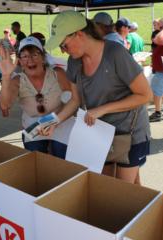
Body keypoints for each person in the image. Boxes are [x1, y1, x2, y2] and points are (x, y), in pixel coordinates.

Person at [42, 10, 152, 184]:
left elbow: (145, 95)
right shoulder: (74, 61)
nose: (63, 51)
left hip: (131, 133)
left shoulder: (115, 53)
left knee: (124, 191)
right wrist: (52, 121)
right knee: (105, 185)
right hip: (101, 133)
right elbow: (75, 100)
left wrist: (102, 109)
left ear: (79, 34)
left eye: (64, 45)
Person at [0, 36, 71, 159]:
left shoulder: (57, 73)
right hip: (33, 125)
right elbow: (5, 105)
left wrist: (54, 121)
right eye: (25, 56)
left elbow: (72, 100)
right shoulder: (17, 80)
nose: (30, 61)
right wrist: (6, 76)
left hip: (61, 121)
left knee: (62, 158)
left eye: (34, 55)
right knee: (36, 160)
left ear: (43, 58)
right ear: (20, 61)